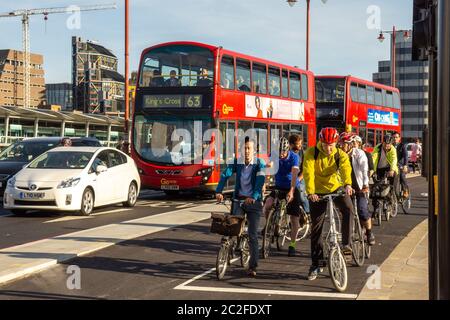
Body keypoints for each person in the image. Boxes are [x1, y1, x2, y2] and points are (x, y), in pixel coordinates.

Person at [303, 127, 354, 281]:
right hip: (317, 193)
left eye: (331, 144)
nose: (329, 148)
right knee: (316, 227)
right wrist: (311, 192)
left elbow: (346, 169)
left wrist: (347, 184)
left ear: (336, 143)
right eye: (326, 145)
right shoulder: (312, 153)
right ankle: (316, 264)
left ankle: (346, 245)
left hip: (335, 188)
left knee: (348, 209)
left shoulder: (340, 154)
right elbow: (308, 173)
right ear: (321, 142)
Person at [216, 137, 266, 277]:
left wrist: (254, 197)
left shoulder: (259, 164)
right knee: (230, 229)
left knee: (252, 235)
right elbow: (225, 174)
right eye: (244, 148)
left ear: (254, 150)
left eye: (249, 148)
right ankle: (230, 249)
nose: (247, 151)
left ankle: (253, 266)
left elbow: (260, 182)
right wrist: (219, 191)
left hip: (253, 203)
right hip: (238, 200)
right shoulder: (237, 162)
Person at [263, 137, 302, 257]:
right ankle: (268, 225)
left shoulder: (294, 157)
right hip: (278, 186)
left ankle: (292, 245)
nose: (281, 154)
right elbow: (268, 166)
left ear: (288, 149)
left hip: (292, 186)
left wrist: (291, 190)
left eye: (283, 152)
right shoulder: (274, 154)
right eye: (279, 152)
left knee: (294, 219)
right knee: (267, 205)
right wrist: (264, 183)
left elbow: (295, 174)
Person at [339, 133, 375, 246]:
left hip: (360, 187)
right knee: (345, 212)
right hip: (346, 189)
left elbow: (365, 170)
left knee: (362, 211)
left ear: (350, 145)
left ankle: (369, 233)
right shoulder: (339, 154)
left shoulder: (359, 153)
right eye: (340, 143)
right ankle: (347, 242)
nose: (341, 146)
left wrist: (365, 185)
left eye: (343, 144)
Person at [288, 134, 311, 254]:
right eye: (297, 144)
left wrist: (298, 180)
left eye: (300, 143)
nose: (299, 146)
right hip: (288, 180)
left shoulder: (303, 154)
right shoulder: (286, 152)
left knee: (301, 194)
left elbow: (304, 169)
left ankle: (308, 213)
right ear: (291, 145)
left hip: (300, 178)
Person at [371, 134, 398, 211]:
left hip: (389, 168)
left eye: (389, 144)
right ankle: (375, 207)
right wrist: (372, 170)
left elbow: (394, 160)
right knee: (375, 187)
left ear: (391, 144)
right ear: (382, 143)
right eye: (385, 144)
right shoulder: (377, 148)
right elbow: (374, 158)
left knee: (392, 182)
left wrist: (392, 170)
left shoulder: (393, 149)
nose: (387, 146)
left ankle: (391, 196)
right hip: (379, 168)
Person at [393, 132, 409, 199]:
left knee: (402, 176)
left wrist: (405, 165)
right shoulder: (390, 145)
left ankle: (405, 190)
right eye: (394, 137)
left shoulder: (403, 145)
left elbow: (405, 156)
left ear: (399, 138)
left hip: (401, 165)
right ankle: (392, 193)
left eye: (396, 137)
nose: (395, 139)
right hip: (393, 165)